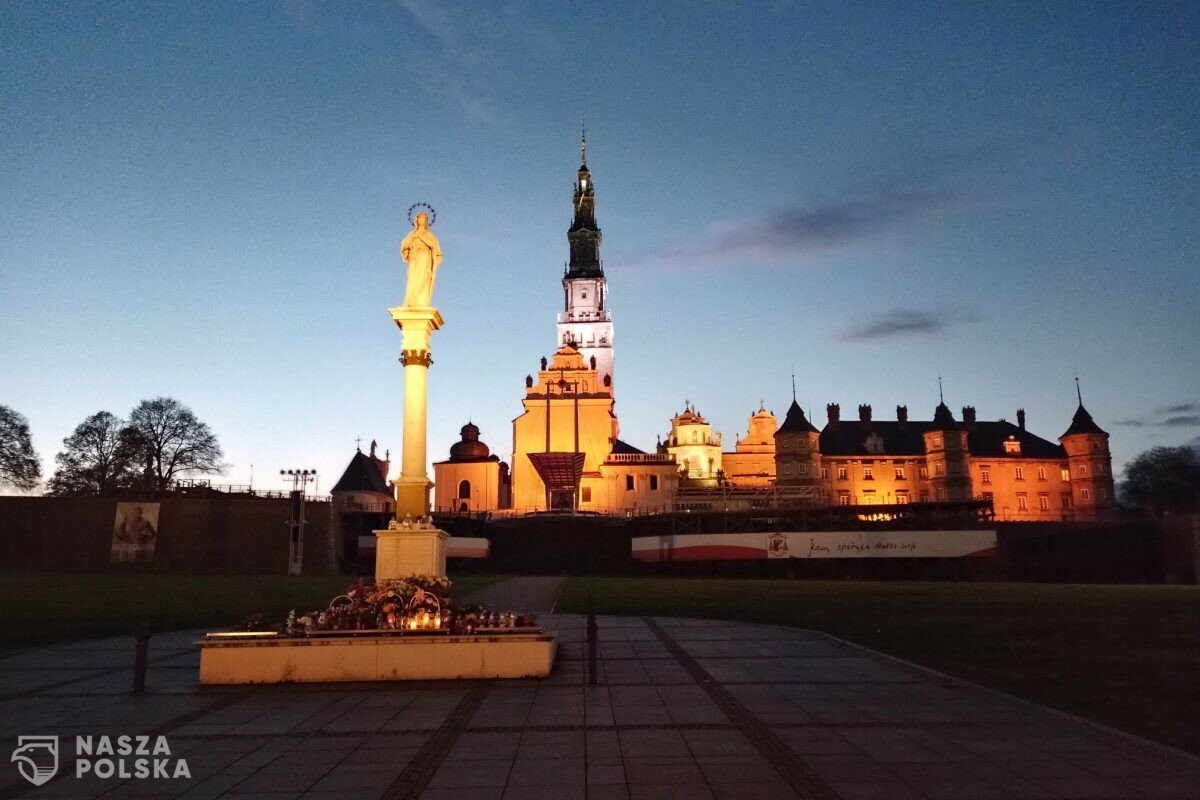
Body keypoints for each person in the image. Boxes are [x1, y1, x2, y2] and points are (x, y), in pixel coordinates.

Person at [400, 212, 443, 307]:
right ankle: (411, 300)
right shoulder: (411, 234)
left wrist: (420, 237)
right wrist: (409, 244)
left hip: (424, 258)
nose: (421, 220)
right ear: (416, 220)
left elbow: (433, 246)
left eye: (423, 218)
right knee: (413, 280)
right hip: (414, 258)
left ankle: (421, 301)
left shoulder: (429, 234)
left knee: (423, 279)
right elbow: (404, 245)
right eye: (419, 218)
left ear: (426, 221)